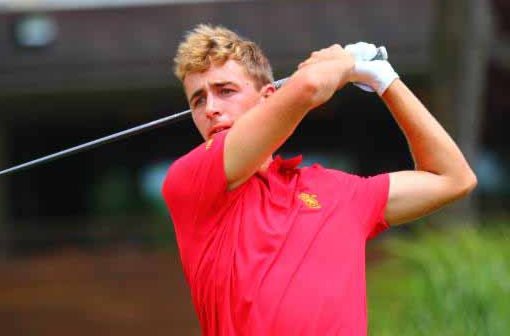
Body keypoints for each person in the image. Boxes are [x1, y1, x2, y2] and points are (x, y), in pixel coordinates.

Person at [161, 24, 477, 335]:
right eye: (198, 100)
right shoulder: (189, 180)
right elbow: (311, 86)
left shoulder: (337, 191)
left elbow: (454, 178)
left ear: (267, 97)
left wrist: (384, 78)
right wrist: (344, 63)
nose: (211, 109)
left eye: (225, 91)